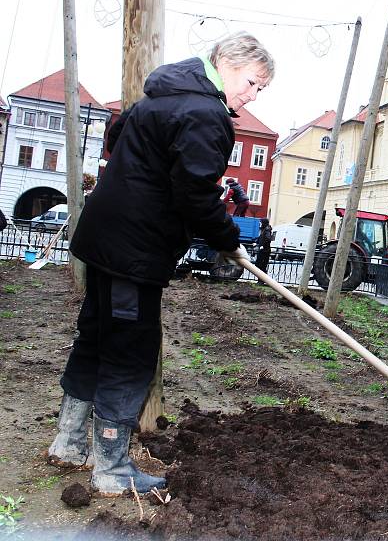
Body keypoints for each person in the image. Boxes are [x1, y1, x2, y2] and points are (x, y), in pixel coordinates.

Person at [47, 32, 274, 496]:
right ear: (226, 63)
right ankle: (110, 469)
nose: (251, 95)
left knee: (94, 338)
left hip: (104, 238)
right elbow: (194, 193)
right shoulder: (206, 114)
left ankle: (69, 443)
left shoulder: (160, 96)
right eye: (252, 83)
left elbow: (116, 140)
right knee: (130, 352)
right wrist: (227, 239)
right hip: (135, 251)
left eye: (260, 90)